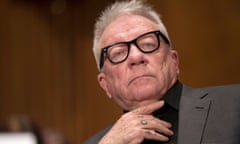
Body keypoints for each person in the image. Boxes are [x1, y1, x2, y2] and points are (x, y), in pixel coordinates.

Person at [84, 0, 240, 143]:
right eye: (118, 53)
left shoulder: (234, 104)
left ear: (174, 61)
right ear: (105, 84)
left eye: (148, 44)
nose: (136, 56)